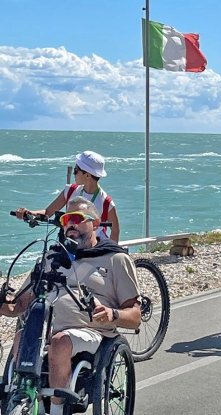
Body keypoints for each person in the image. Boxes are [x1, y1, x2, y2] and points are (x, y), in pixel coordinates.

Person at [1, 197, 140, 415]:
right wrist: (3, 302)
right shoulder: (50, 258)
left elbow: (135, 316)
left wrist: (112, 314)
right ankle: (32, 404)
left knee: (60, 342)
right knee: (22, 337)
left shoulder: (115, 259)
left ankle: (58, 410)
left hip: (91, 330)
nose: (70, 224)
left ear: (95, 223)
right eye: (66, 220)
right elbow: (18, 306)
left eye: (76, 218)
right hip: (46, 328)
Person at [15, 151, 120, 242]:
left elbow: (115, 231)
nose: (74, 173)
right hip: (69, 243)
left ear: (87, 175)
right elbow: (47, 212)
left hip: (94, 248)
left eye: (76, 170)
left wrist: (109, 253)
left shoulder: (106, 202)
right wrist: (28, 213)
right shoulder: (70, 190)